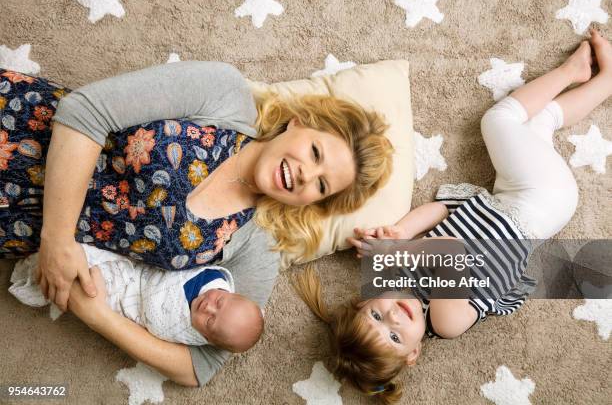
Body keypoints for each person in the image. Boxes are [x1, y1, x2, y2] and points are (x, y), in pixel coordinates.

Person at [0, 61, 393, 386]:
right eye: (315, 152)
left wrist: (96, 314)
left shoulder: (254, 247)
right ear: (296, 123)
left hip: (10, 227)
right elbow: (83, 111)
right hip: (18, 124)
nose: (307, 175)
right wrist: (57, 240)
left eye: (321, 185)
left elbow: (198, 367)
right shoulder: (224, 94)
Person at [294, 28, 611, 404]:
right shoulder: (447, 322)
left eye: (376, 318)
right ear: (413, 354)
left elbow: (443, 211)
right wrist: (398, 249)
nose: (393, 318)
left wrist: (399, 229)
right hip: (538, 205)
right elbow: (450, 254)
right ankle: (573, 73)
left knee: (538, 123)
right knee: (499, 120)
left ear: (364, 300)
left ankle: (603, 82)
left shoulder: (399, 277)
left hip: (508, 197)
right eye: (395, 337)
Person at [10, 243, 264, 352]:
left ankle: (45, 271)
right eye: (219, 303)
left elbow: (154, 318)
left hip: (130, 294)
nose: (207, 307)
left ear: (206, 337)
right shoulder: (214, 276)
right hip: (140, 265)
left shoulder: (181, 326)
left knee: (87, 283)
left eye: (210, 322)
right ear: (230, 292)